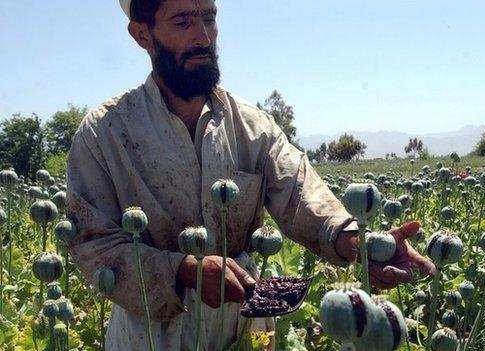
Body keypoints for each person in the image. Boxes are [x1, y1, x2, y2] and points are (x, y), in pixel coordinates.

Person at [65, 0, 436, 349]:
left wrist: (358, 243)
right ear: (142, 34)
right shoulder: (106, 131)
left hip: (245, 324)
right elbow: (93, 244)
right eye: (183, 21)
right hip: (150, 330)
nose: (203, 36)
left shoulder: (252, 124)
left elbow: (299, 194)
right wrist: (183, 269)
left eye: (209, 17)